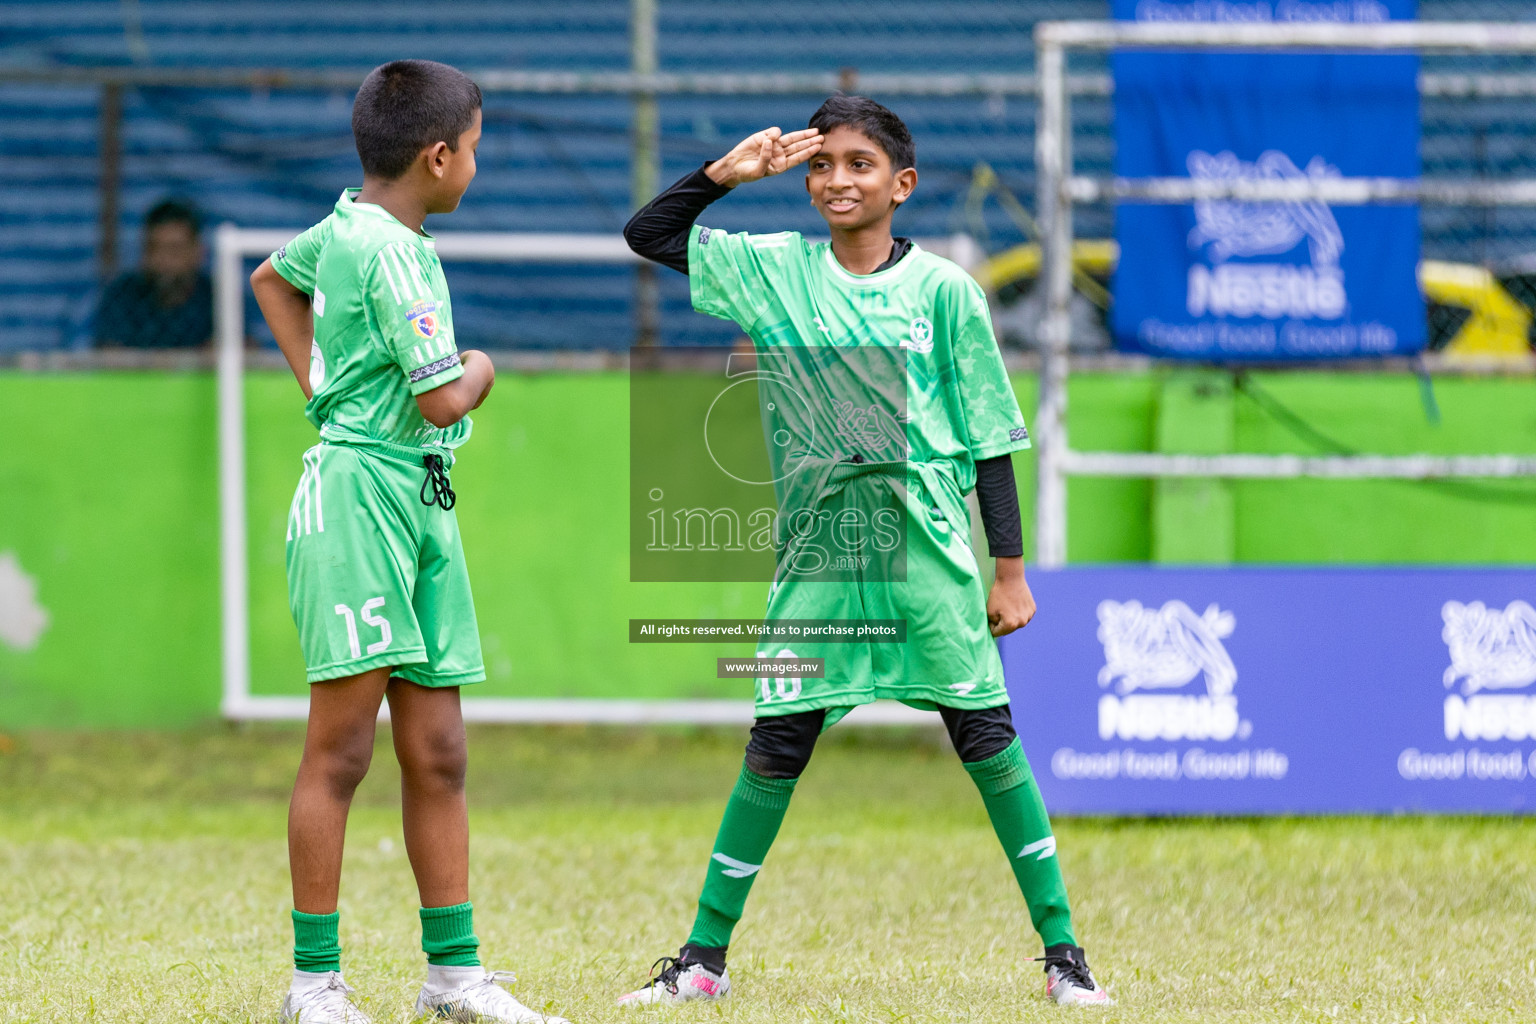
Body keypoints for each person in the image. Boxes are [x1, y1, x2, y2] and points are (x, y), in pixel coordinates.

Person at [618, 96, 1112, 1009]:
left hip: (926, 550)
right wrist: (729, 174)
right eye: (821, 165)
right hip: (821, 555)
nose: (836, 180)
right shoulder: (774, 272)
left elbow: (989, 436)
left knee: (988, 739)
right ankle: (701, 960)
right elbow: (649, 232)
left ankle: (1065, 957)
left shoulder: (946, 293)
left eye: (858, 164)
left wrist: (1009, 569)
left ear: (902, 185)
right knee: (778, 742)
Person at [249, 60, 567, 1024]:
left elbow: (273, 279)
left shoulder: (353, 225)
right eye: (475, 147)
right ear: (439, 156)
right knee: (339, 751)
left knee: (437, 750)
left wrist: (322, 381)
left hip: (420, 497)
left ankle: (454, 977)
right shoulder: (386, 250)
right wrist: (483, 366)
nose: (478, 161)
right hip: (358, 506)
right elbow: (439, 395)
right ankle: (315, 988)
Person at [93, 198, 214, 348]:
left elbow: (244, 351)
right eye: (154, 248)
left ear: (197, 252)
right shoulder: (122, 294)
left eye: (174, 249)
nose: (163, 260)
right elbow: (108, 355)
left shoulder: (216, 297)